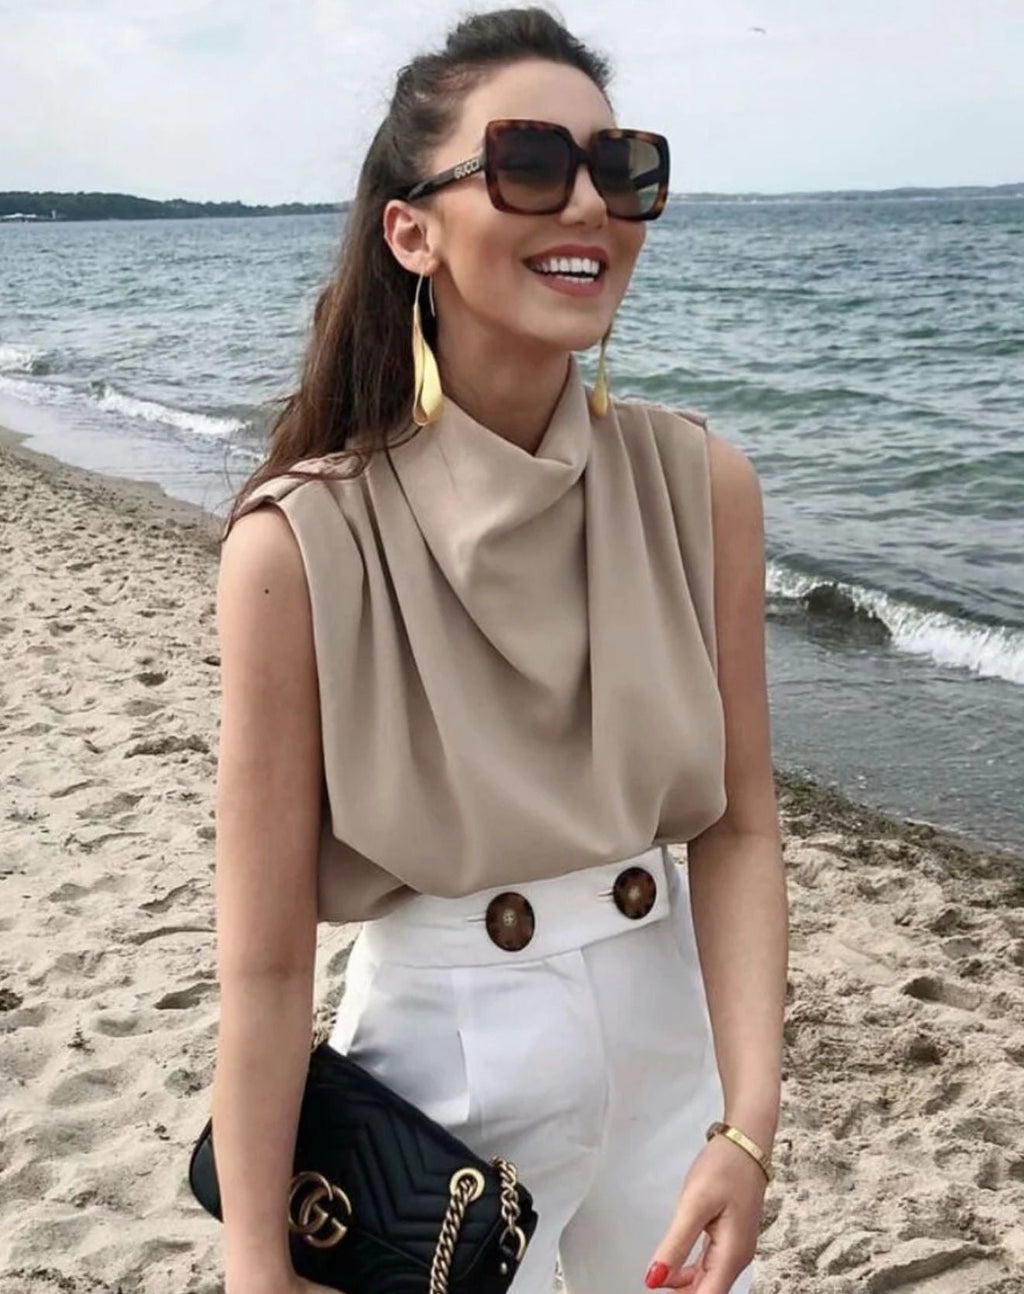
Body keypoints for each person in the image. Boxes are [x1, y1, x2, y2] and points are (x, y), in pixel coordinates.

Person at [209, 7, 788, 1294]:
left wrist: (747, 1121)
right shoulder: (300, 545)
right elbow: (263, 960)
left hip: (670, 1056)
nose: (586, 203)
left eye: (620, 168)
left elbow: (739, 825)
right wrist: (255, 1262)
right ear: (410, 230)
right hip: (438, 1093)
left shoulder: (701, 487)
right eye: (528, 162)